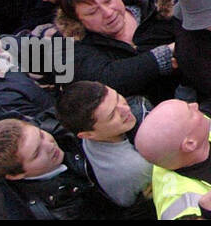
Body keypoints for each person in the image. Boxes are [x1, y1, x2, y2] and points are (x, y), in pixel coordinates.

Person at [51, 0, 179, 102]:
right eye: (93, 12)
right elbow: (104, 81)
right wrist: (164, 55)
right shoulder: (67, 44)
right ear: (77, 19)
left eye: (109, 0)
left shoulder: (158, 5)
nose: (108, 13)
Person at [55, 81, 154, 210]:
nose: (126, 109)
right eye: (112, 115)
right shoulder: (135, 166)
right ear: (88, 135)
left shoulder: (96, 134)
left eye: (118, 97)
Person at [134, 97, 211, 219]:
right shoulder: (181, 201)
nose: (195, 105)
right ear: (190, 144)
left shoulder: (193, 132)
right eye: (191, 112)